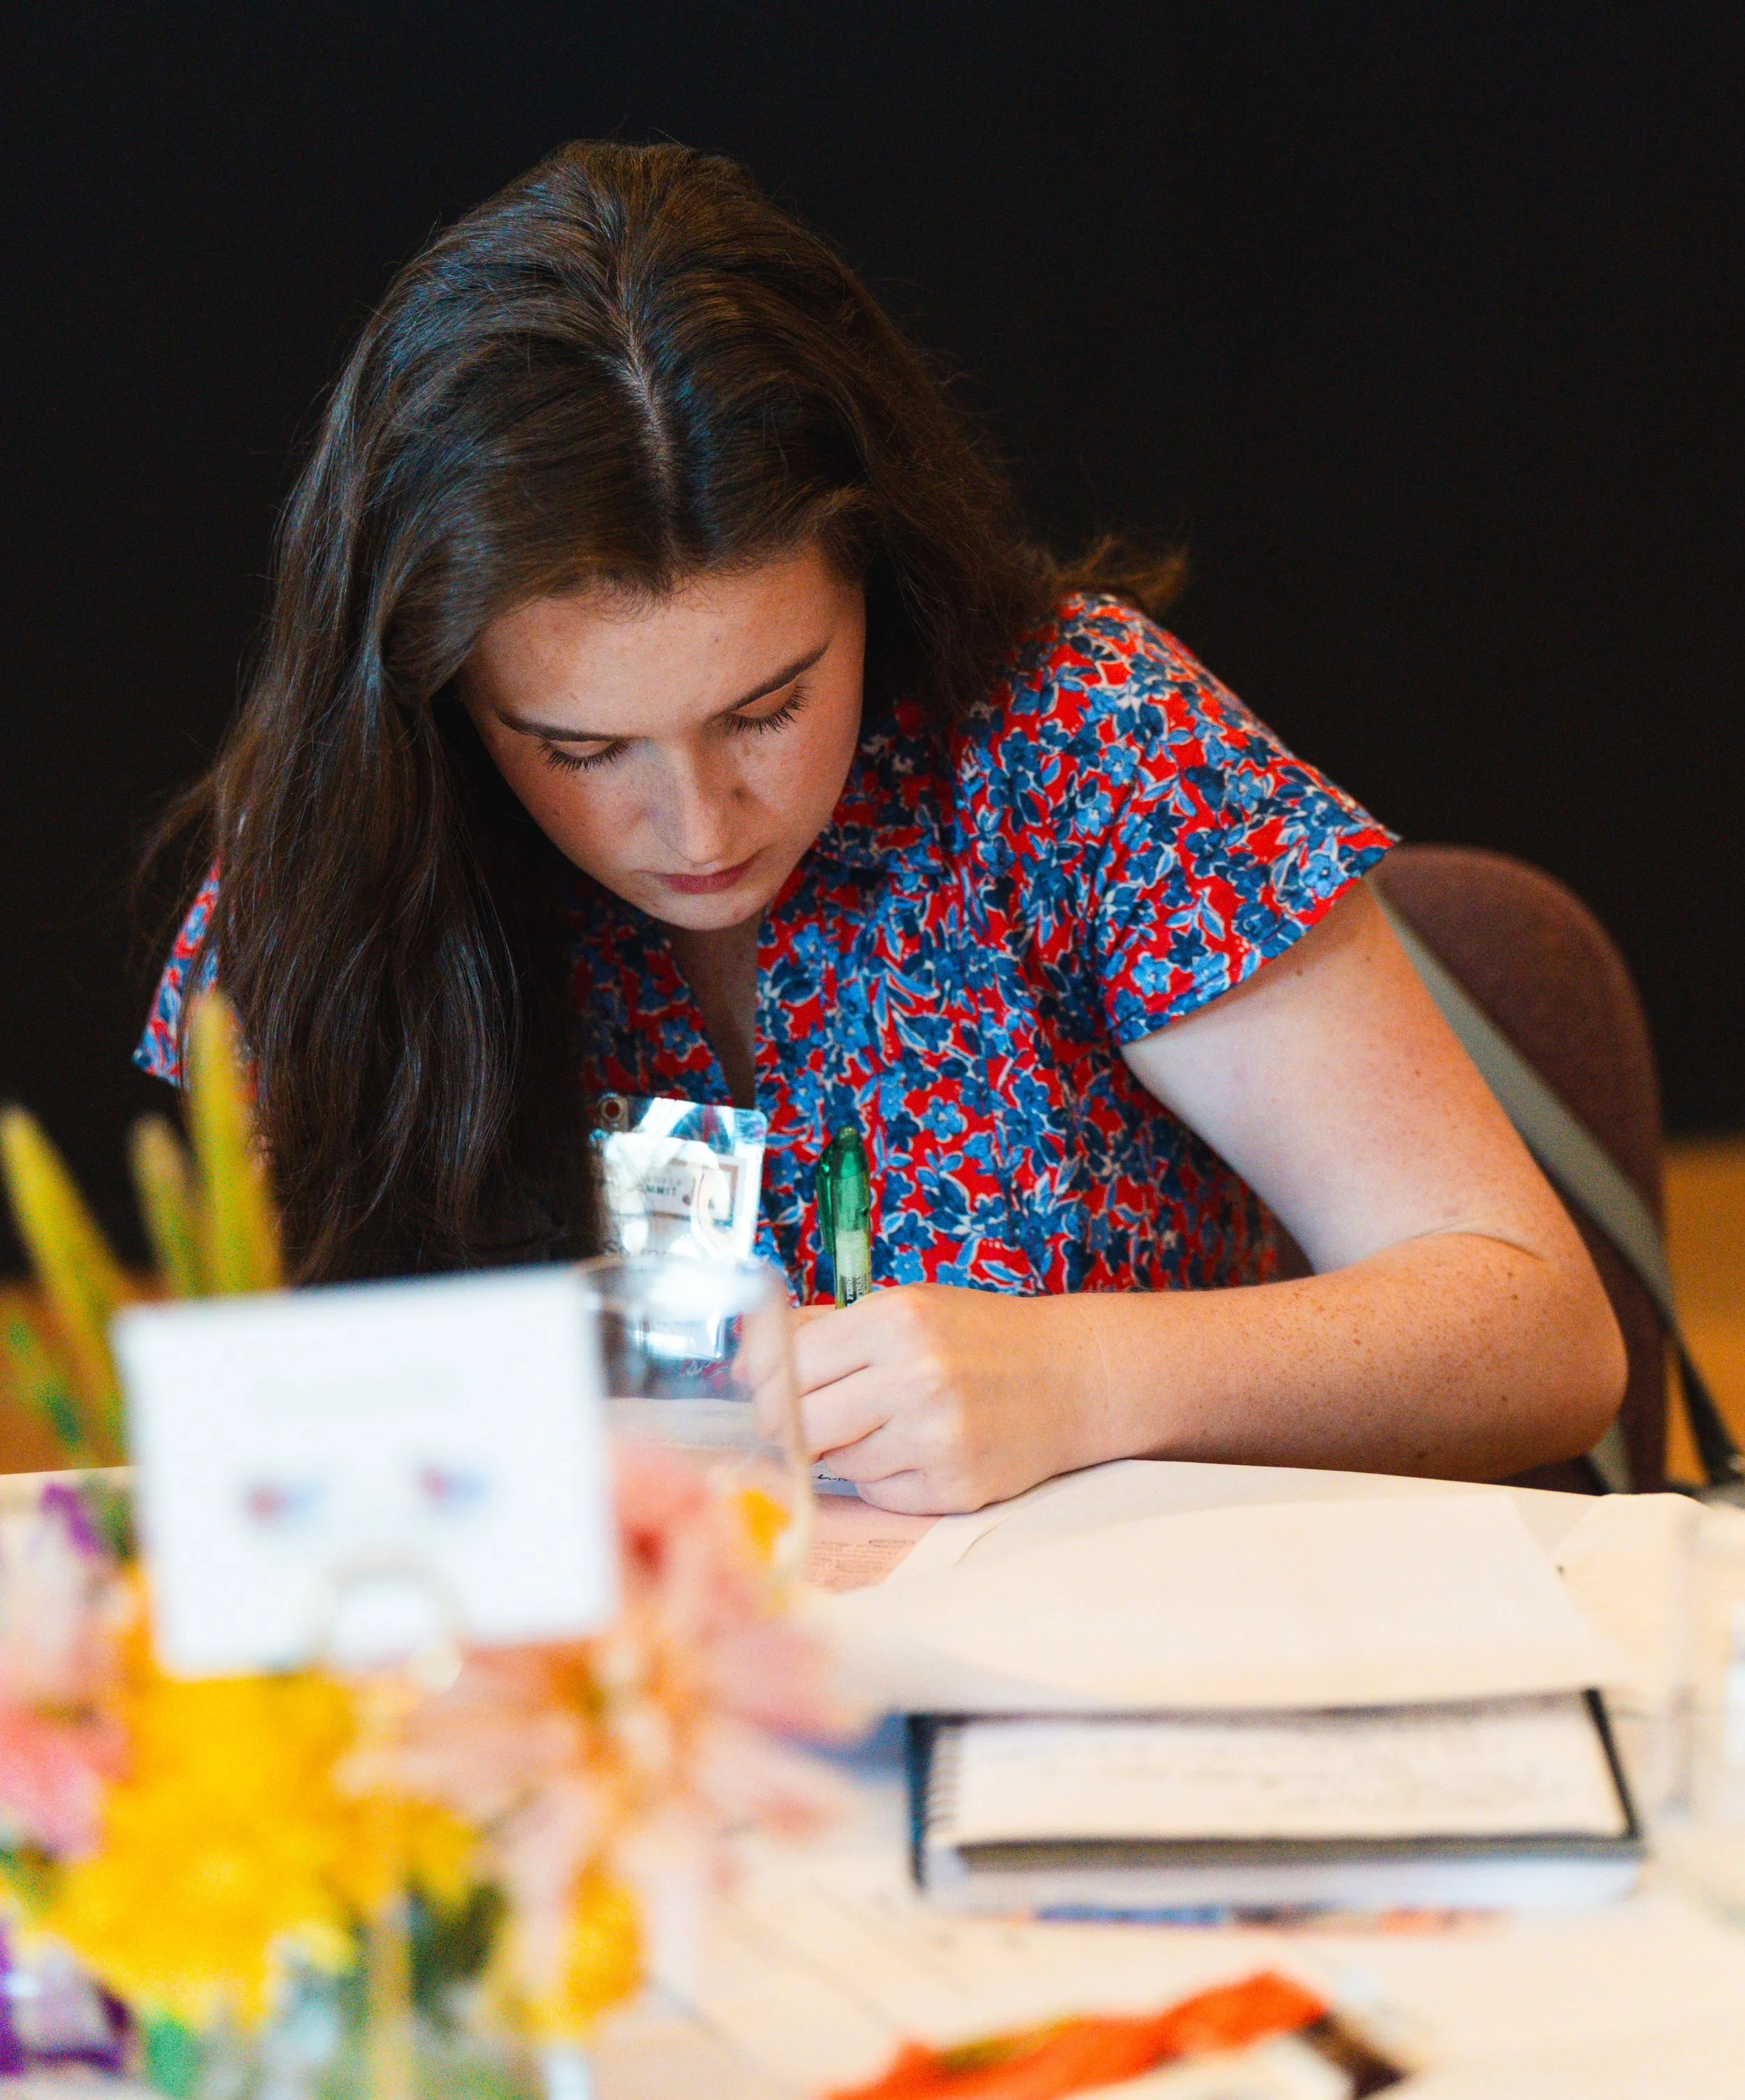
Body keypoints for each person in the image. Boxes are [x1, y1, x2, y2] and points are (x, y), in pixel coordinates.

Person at [140, 141, 1625, 1513]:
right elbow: (288, 1454)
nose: (697, 822)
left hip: (1105, 1684)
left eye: (767, 707)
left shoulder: (1070, 741)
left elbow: (1541, 1331)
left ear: (877, 575)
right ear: (441, 697)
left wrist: (1089, 1379)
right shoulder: (342, 845)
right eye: (582, 747)